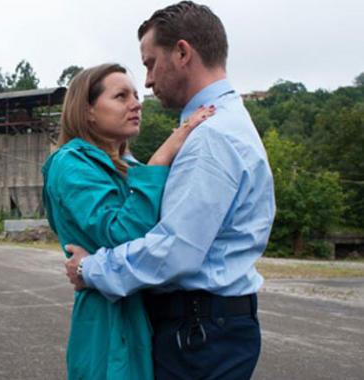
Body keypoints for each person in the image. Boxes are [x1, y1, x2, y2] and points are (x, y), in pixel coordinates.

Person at [63, 2, 276, 379]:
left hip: (198, 333)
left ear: (182, 53)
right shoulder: (223, 124)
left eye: (149, 63)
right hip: (210, 328)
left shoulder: (209, 137)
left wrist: (90, 268)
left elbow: (176, 250)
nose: (146, 83)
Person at [42, 63, 213, 379]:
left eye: (135, 95)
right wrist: (161, 159)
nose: (136, 103)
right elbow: (122, 235)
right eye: (121, 96)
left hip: (139, 310)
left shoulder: (122, 165)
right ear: (88, 111)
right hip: (109, 321)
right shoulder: (72, 165)